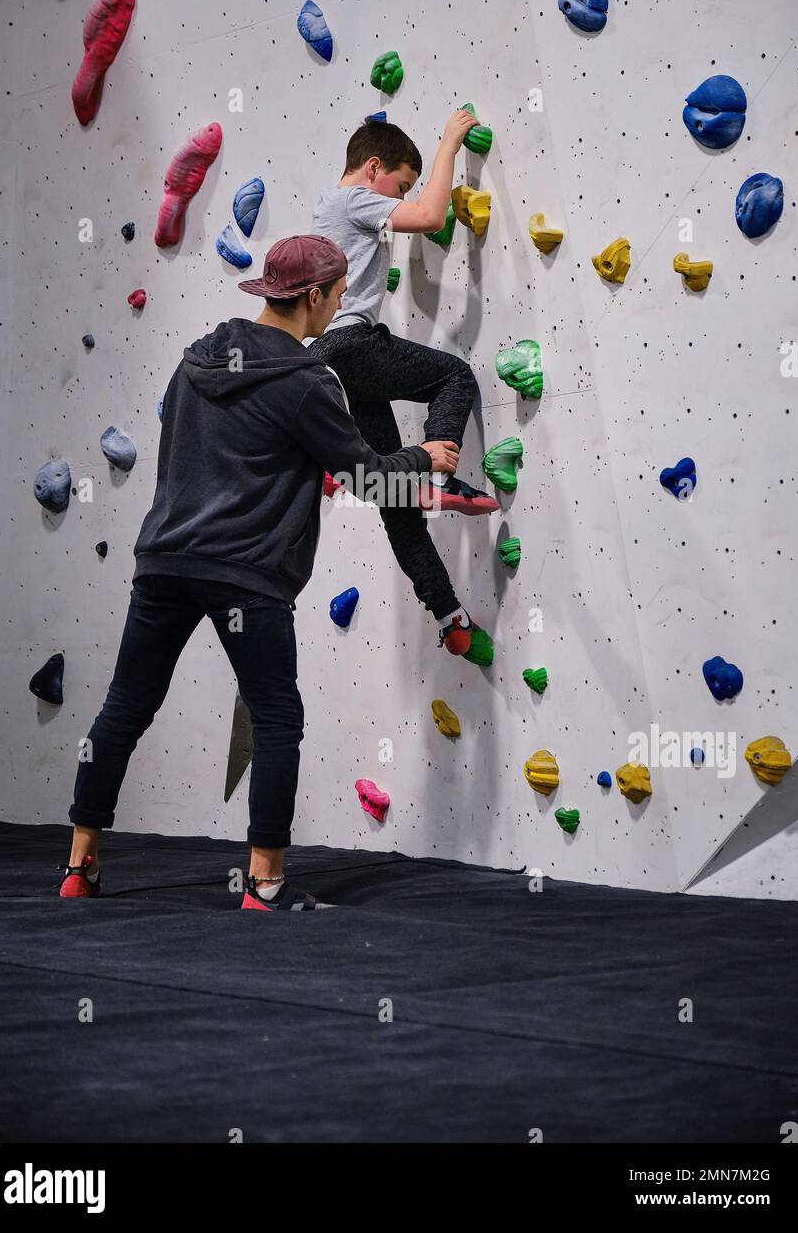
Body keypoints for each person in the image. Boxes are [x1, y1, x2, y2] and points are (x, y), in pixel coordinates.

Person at [59, 235, 458, 911]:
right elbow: (366, 477)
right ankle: (264, 883)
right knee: (277, 719)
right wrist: (424, 455)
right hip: (247, 574)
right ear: (312, 297)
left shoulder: (195, 360)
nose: (338, 309)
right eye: (336, 296)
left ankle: (78, 866)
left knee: (124, 708)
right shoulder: (306, 383)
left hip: (164, 559)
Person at [308, 112, 497, 659]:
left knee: (395, 499)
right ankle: (441, 470)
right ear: (372, 169)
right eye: (400, 184)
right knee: (454, 375)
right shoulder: (350, 201)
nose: (403, 197)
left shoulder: (329, 214)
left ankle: (451, 617)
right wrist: (448, 145)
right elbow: (432, 214)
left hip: (332, 368)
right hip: (352, 347)